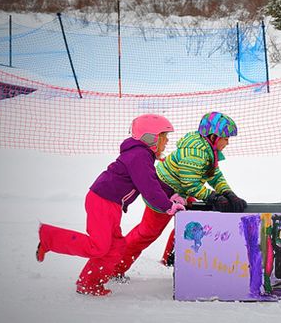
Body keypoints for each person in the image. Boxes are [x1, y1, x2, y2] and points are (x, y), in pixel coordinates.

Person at [36, 114, 186, 296]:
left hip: (111, 204)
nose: (167, 142)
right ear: (151, 138)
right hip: (102, 201)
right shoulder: (139, 155)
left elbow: (153, 181)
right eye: (164, 137)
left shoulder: (141, 155)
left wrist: (172, 195)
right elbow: (149, 187)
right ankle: (49, 238)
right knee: (99, 246)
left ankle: (89, 283)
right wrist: (167, 206)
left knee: (115, 248)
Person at [112, 111, 247, 280]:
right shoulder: (194, 153)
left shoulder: (207, 150)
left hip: (179, 192)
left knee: (192, 220)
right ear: (213, 137)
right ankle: (115, 267)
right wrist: (213, 197)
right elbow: (190, 184)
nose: (227, 143)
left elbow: (214, 175)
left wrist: (228, 193)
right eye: (226, 138)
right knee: (147, 233)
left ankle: (169, 258)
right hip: (162, 193)